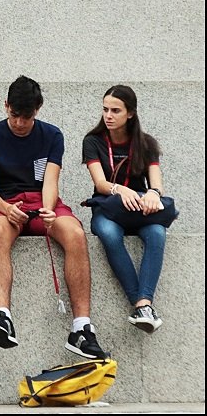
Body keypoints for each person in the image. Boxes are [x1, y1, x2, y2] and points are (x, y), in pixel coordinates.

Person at [0, 75, 106, 359]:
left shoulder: (52, 135)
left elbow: (50, 181)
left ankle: (81, 328)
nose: (19, 122)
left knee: (75, 233)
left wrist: (48, 210)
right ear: (5, 105)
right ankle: (2, 316)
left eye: (26, 117)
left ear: (38, 110)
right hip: (4, 203)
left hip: (41, 200)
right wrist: (7, 209)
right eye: (14, 115)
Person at [82, 85, 167, 334]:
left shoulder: (146, 143)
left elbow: (156, 183)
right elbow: (100, 183)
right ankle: (141, 304)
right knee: (109, 234)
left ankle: (144, 304)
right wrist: (120, 189)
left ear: (130, 113)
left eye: (115, 110)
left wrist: (152, 193)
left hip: (139, 209)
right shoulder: (93, 141)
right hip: (108, 208)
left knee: (157, 233)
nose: (108, 115)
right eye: (105, 109)